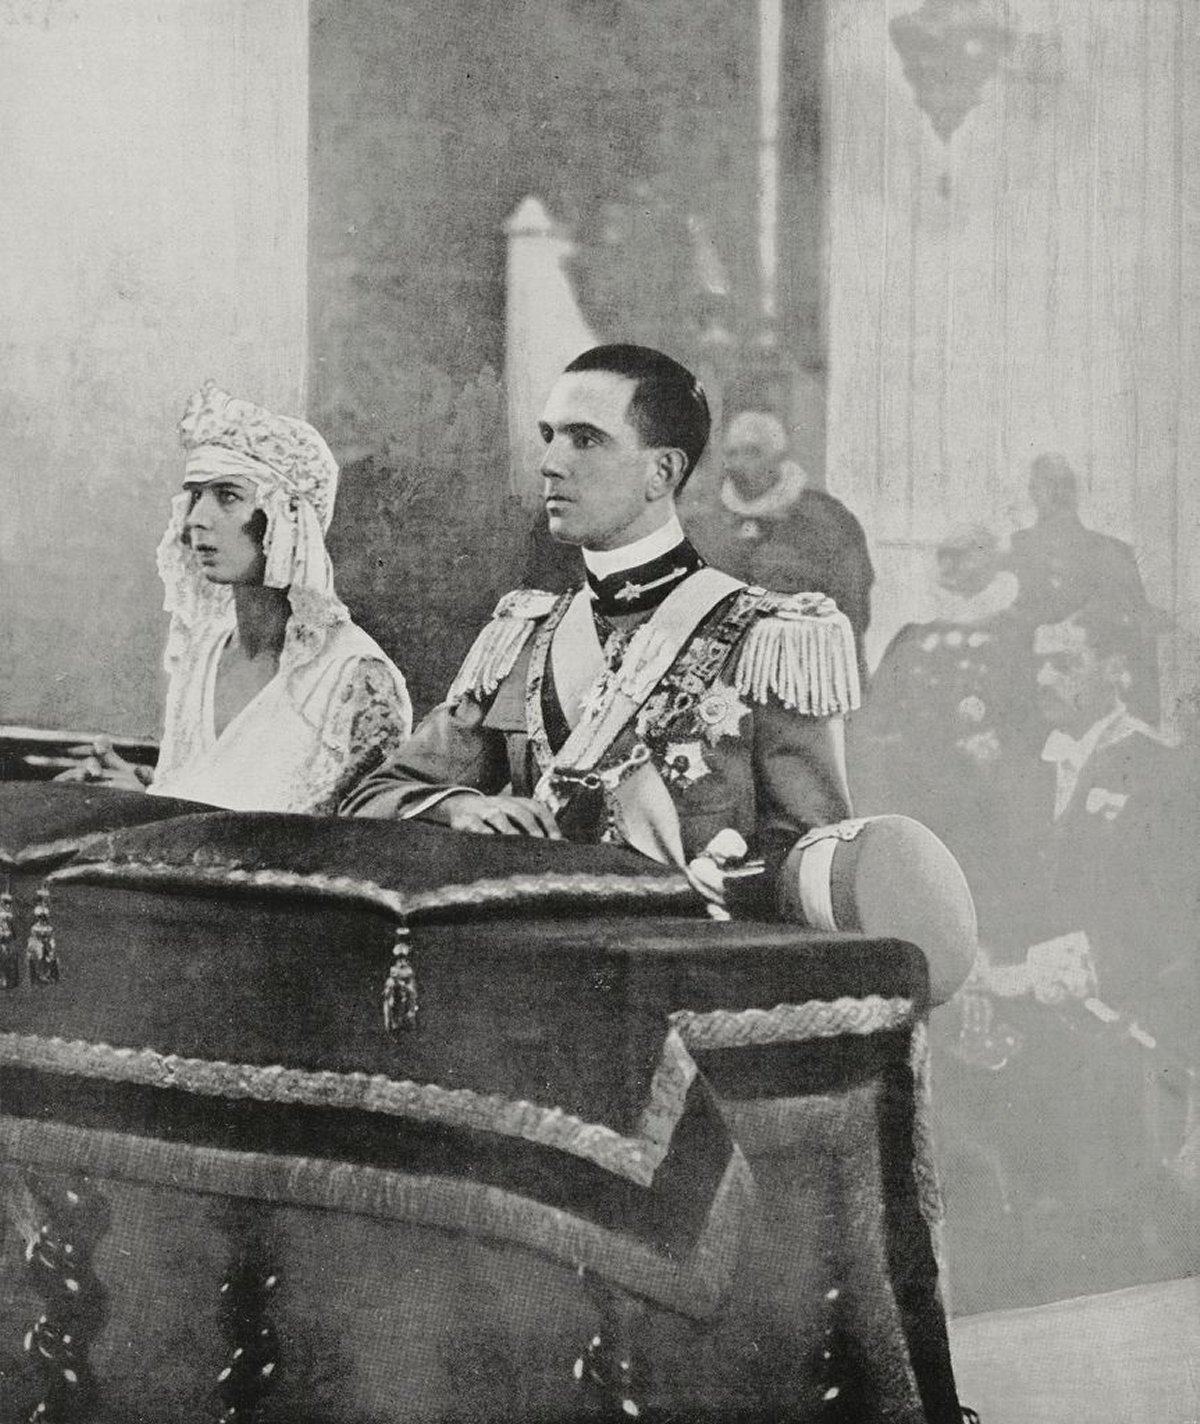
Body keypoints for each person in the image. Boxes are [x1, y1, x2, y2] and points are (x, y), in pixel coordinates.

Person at [344, 345, 860, 915]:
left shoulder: (769, 641)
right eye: (550, 436)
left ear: (662, 471)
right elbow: (375, 796)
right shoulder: (523, 639)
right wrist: (458, 807)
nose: (551, 463)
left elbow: (819, 865)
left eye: (585, 440)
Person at [60, 381, 412, 813]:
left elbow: (328, 847)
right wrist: (140, 797)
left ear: (286, 518)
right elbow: (196, 794)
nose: (196, 520)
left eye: (227, 496)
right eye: (194, 495)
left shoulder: (356, 679)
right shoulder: (203, 651)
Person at [684, 410, 874, 681]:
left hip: (804, 670)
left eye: (752, 452)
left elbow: (852, 608)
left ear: (778, 456)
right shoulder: (704, 525)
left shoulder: (826, 519)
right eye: (732, 453)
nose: (738, 463)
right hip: (725, 676)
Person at [1007, 453, 1159, 719]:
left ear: (1076, 491)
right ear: (1032, 492)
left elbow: (1140, 647)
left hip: (1094, 708)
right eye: (1046, 483)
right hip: (1028, 705)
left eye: (1064, 483)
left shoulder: (1114, 553)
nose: (1056, 492)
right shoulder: (1014, 551)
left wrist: (1144, 722)